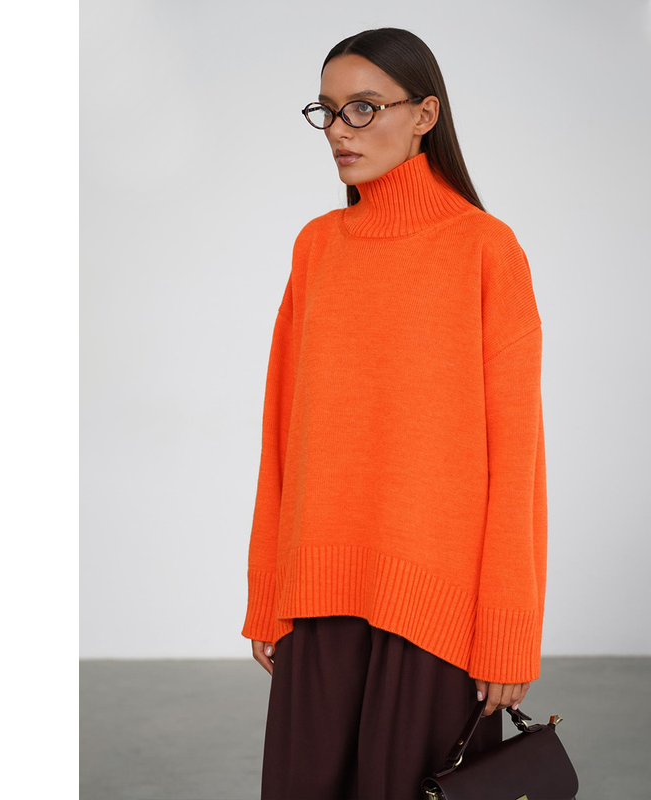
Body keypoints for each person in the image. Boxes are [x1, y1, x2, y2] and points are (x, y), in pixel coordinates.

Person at [241, 27, 548, 800]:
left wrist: (508, 635)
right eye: (328, 110)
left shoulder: (485, 250)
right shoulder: (317, 247)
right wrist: (266, 595)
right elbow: (280, 434)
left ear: (424, 115)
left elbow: (517, 460)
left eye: (364, 108)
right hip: (317, 603)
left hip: (435, 616)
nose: (339, 131)